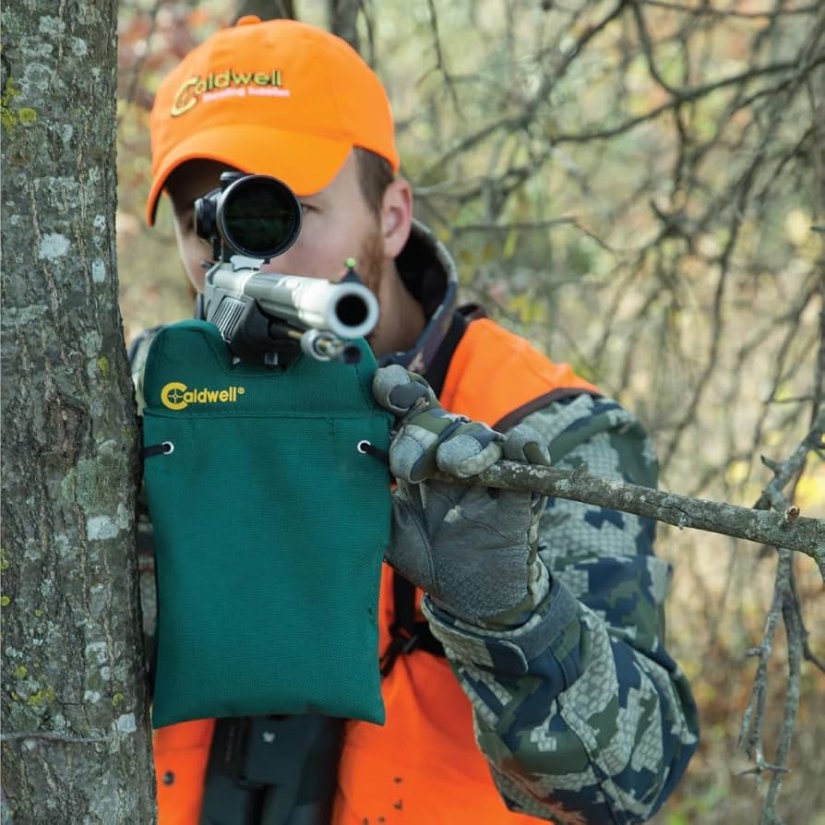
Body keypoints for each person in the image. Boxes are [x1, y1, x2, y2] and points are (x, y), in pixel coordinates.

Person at [133, 15, 699, 824]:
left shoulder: (547, 428)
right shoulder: (137, 395)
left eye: (277, 213)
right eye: (205, 223)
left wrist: (509, 609)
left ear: (392, 217)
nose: (240, 259)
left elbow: (632, 783)